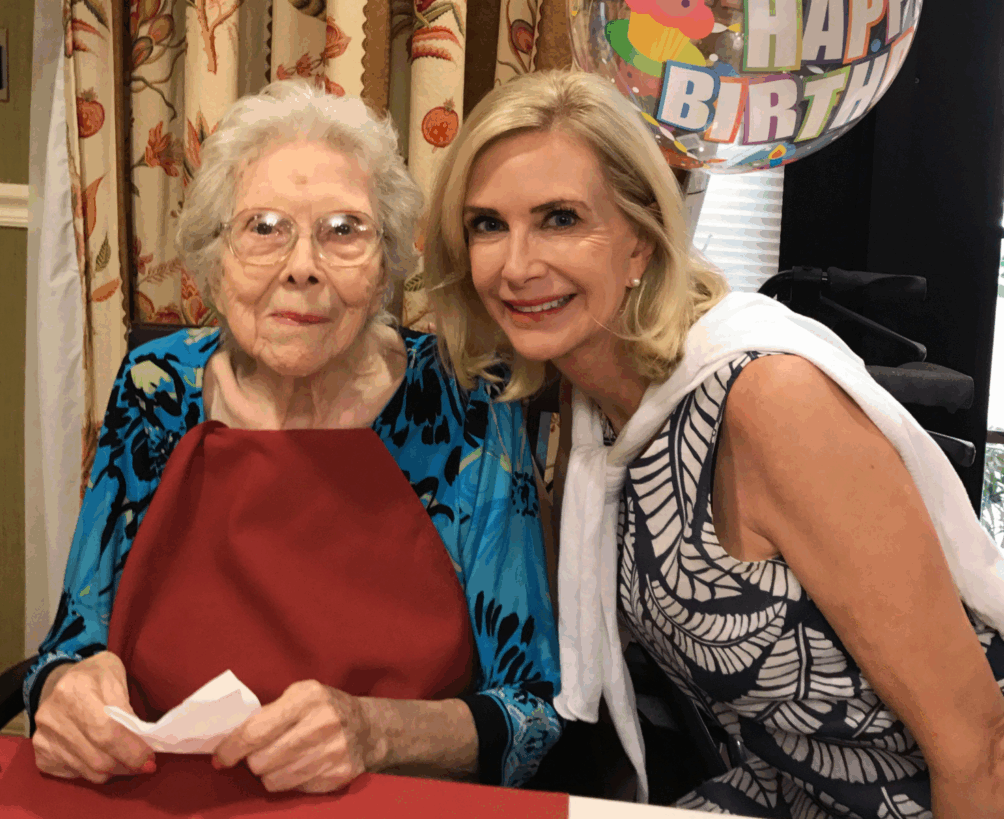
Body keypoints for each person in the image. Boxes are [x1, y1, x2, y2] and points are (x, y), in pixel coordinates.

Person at [420, 68, 1004, 817]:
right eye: (487, 224)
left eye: (560, 218)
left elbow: (979, 744)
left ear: (640, 241)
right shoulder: (593, 405)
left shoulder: (767, 402)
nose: (517, 264)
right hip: (791, 790)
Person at [23, 80, 561, 795]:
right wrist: (61, 690)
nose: (302, 265)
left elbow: (531, 713)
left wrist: (376, 731)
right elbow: (70, 642)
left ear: (387, 265)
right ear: (214, 258)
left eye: (344, 230)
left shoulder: (466, 402)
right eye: (264, 227)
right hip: (164, 797)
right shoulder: (158, 387)